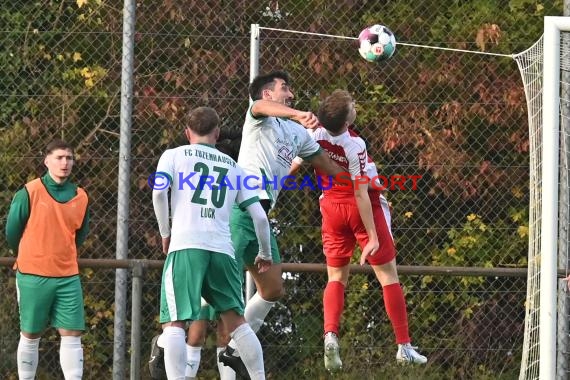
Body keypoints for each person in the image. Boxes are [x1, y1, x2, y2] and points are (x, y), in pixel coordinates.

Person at [219, 70, 345, 376]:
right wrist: (299, 113)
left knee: (273, 290)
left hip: (262, 218)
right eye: (284, 89)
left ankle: (234, 351)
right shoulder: (259, 117)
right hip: (238, 213)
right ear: (267, 94)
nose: (290, 93)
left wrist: (359, 181)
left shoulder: (297, 134)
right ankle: (210, 362)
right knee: (227, 306)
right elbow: (259, 107)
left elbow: (325, 165)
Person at [293, 90, 427, 372]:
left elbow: (297, 161)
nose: (355, 108)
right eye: (352, 106)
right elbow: (361, 193)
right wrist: (373, 237)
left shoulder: (314, 135)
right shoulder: (354, 144)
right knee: (388, 277)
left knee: (336, 277)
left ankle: (330, 334)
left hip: (330, 207)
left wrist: (278, 177)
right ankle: (403, 346)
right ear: (345, 119)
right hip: (360, 207)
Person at [151, 106, 272, 380]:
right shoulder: (235, 167)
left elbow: (159, 193)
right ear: (217, 133)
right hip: (223, 250)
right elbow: (260, 218)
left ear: (187, 132)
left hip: (186, 245)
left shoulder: (173, 155)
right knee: (238, 324)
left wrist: (165, 233)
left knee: (175, 322)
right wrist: (264, 252)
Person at [5, 139, 90, 380]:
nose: (65, 163)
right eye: (59, 157)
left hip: (68, 277)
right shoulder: (29, 191)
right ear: (47, 161)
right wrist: (29, 255)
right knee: (30, 334)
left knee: (72, 334)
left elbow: (80, 235)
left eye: (69, 158)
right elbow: (12, 231)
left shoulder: (81, 196)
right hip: (33, 274)